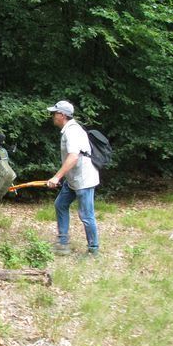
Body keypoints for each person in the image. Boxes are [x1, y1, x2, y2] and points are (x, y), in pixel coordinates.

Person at [46, 100, 100, 257]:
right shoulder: (68, 130)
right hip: (73, 180)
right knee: (60, 204)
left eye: (54, 113)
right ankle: (63, 243)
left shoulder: (72, 131)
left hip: (84, 180)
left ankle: (93, 250)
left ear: (62, 115)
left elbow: (74, 157)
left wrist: (57, 177)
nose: (52, 116)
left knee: (86, 215)